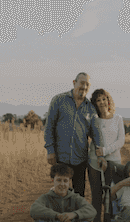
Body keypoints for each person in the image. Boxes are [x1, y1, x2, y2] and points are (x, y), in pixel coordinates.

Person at [43, 72, 104, 202]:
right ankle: (59, 220)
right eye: (82, 83)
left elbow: (96, 133)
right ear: (74, 82)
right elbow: (49, 127)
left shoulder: (90, 109)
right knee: (60, 192)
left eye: (87, 84)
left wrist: (101, 154)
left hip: (80, 159)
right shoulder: (59, 100)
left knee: (78, 196)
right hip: (60, 157)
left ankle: (75, 221)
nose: (84, 87)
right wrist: (50, 151)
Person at [87, 87, 126, 222]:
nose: (102, 102)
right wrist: (100, 154)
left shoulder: (118, 119)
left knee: (112, 196)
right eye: (98, 100)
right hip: (95, 162)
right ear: (94, 104)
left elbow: (121, 141)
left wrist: (105, 151)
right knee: (96, 197)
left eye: (104, 99)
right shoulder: (93, 120)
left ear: (108, 100)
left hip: (113, 162)